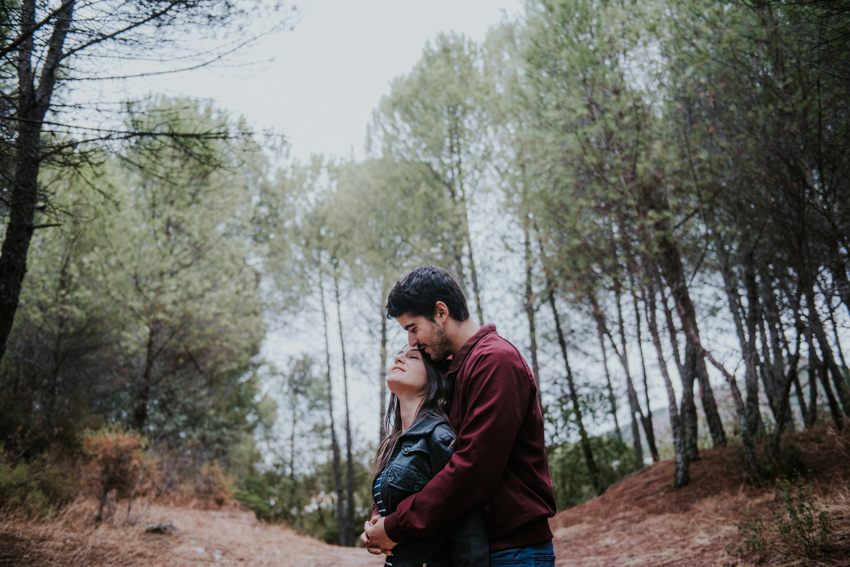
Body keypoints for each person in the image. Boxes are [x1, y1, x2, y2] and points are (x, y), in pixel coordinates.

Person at [362, 265, 557, 567]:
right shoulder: (455, 371)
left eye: (413, 328)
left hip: (511, 552)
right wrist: (384, 513)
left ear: (441, 312)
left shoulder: (495, 361)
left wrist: (397, 526)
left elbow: (474, 469)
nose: (412, 342)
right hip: (472, 551)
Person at [369, 344, 488, 567]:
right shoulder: (393, 443)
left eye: (412, 357)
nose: (399, 358)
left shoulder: (439, 437)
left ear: (434, 378)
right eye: (398, 355)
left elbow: (467, 528)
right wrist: (377, 524)